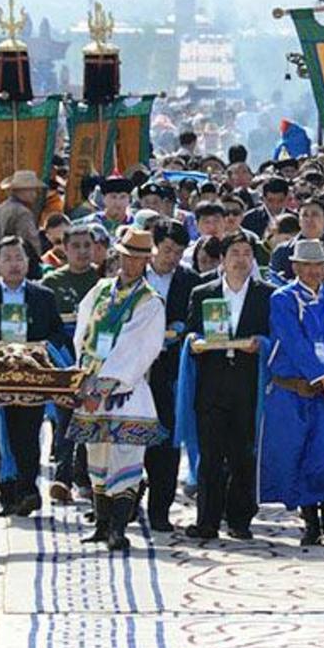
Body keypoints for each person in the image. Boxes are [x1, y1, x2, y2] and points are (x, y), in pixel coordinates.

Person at [69, 227, 167, 552]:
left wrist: (106, 383)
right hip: (92, 382)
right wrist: (84, 371)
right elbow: (83, 331)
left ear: (146, 262)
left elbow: (138, 348)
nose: (132, 264)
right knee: (96, 456)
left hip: (126, 390)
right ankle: (100, 523)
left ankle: (118, 528)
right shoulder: (100, 290)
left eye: (139, 258)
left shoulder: (150, 302)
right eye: (127, 256)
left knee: (126, 459)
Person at [0, 236, 71, 517]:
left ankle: (28, 490)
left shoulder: (42, 296)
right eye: (7, 258)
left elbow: (57, 333)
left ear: (28, 262)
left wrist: (42, 347)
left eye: (19, 258)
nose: (14, 264)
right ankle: (7, 496)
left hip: (31, 377)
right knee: (3, 434)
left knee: (29, 433)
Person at [183, 232, 273, 540]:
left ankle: (239, 519)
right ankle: (207, 520)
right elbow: (192, 332)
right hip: (212, 381)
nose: (241, 259)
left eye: (247, 253)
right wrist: (195, 342)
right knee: (210, 455)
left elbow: (273, 340)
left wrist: (260, 344)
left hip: (247, 382)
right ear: (223, 258)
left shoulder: (266, 294)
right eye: (235, 252)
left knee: (243, 454)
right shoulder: (203, 292)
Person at [259, 238, 324, 544]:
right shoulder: (282, 299)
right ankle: (310, 523)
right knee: (298, 454)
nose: (313, 271)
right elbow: (294, 343)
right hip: (295, 391)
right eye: (307, 265)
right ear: (295, 266)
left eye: (318, 265)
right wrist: (322, 377)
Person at [142, 217, 198, 531]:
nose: (172, 257)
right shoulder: (135, 276)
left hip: (171, 370)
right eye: (166, 249)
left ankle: (160, 511)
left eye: (178, 251)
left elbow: (196, 321)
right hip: (137, 369)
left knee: (167, 442)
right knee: (130, 439)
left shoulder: (189, 281)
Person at [40, 223, 103, 501]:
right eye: (75, 246)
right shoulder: (50, 283)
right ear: (63, 249)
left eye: (86, 246)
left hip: (97, 357)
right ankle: (63, 479)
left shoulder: (104, 281)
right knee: (66, 420)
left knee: (92, 419)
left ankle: (86, 477)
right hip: (63, 355)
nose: (81, 251)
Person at [0, 170, 45, 278]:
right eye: (31, 191)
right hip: (20, 265)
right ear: (20, 191)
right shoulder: (22, 212)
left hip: (3, 261)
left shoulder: (1, 208)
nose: (34, 195)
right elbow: (30, 240)